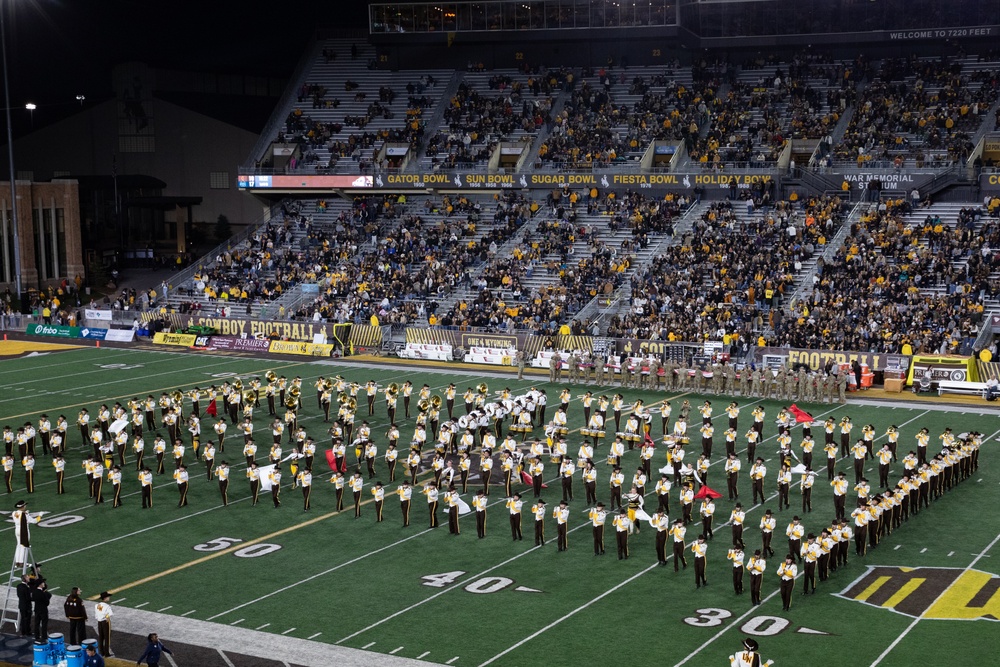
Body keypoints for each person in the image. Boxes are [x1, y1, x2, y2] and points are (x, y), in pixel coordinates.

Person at [95, 591, 113, 656]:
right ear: (105, 598)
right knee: (107, 637)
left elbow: (97, 614)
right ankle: (107, 653)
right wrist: (106, 617)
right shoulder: (107, 606)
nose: (109, 598)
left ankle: (101, 652)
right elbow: (110, 614)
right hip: (105, 622)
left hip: (99, 622)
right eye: (108, 597)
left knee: (101, 637)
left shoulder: (97, 605)